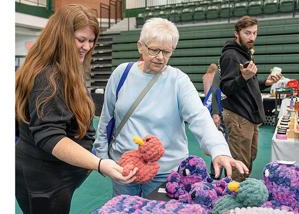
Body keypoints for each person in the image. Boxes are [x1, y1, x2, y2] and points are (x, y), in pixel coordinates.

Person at [93, 17, 249, 197]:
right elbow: (107, 118)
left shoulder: (179, 81)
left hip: (165, 175)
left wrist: (219, 151)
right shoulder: (121, 73)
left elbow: (199, 118)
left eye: (166, 52)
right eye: (154, 50)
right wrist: (103, 157)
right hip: (124, 170)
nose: (160, 58)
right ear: (140, 46)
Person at [15, 5, 137, 214]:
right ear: (61, 36)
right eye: (81, 40)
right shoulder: (50, 76)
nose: (87, 47)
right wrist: (99, 163)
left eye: (91, 41)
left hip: (39, 174)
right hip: (46, 180)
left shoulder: (48, 67)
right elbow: (50, 137)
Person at [218, 16, 282, 181]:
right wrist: (244, 78)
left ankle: (242, 191)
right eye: (247, 33)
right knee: (240, 163)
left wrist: (266, 82)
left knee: (249, 157)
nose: (252, 37)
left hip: (249, 116)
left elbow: (248, 86)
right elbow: (226, 88)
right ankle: (233, 199)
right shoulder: (231, 56)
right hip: (239, 115)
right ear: (237, 34)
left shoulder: (245, 54)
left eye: (254, 33)